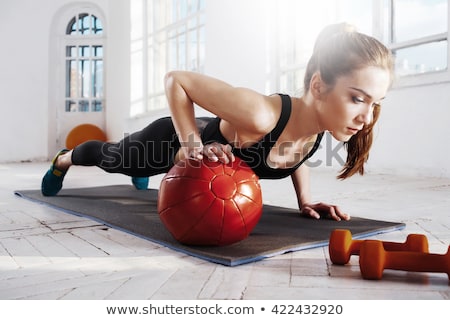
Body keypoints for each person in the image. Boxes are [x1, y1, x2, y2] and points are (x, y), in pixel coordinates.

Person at [41, 23, 394, 221]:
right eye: (357, 98)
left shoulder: (316, 126)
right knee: (112, 157)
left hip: (196, 160)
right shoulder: (261, 114)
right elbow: (176, 80)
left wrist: (305, 200)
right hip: (169, 143)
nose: (366, 117)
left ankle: (140, 172)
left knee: (132, 164)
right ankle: (63, 159)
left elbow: (297, 154)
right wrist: (192, 145)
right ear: (318, 85)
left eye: (374, 103)